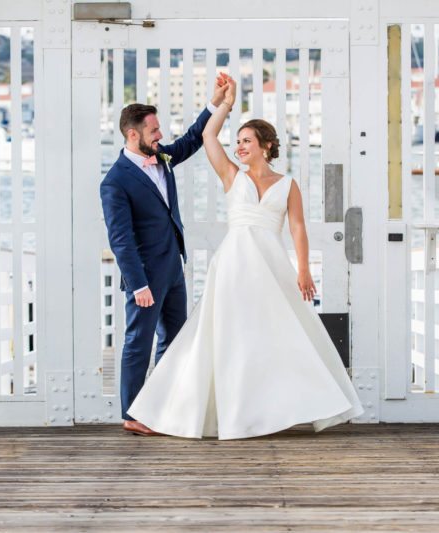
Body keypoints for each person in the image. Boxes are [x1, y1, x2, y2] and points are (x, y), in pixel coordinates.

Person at [127, 75, 364, 439]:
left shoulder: (287, 185)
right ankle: (214, 412)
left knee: (278, 336)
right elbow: (207, 137)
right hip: (234, 266)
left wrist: (304, 271)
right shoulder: (231, 176)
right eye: (237, 141)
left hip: (271, 267)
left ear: (266, 146)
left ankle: (274, 409)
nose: (239, 147)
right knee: (230, 337)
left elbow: (298, 229)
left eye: (246, 141)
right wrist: (224, 105)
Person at [100, 75, 229, 436]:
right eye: (154, 130)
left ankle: (161, 406)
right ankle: (131, 414)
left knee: (174, 340)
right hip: (145, 276)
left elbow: (190, 141)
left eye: (158, 129)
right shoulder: (115, 181)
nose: (160, 135)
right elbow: (120, 239)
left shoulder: (161, 157)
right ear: (132, 134)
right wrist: (138, 283)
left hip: (173, 268)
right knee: (137, 343)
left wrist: (214, 103)